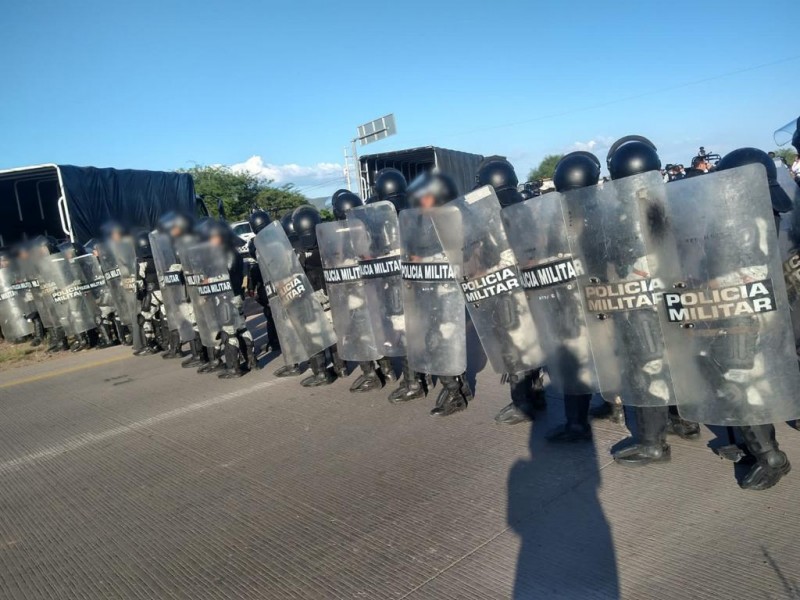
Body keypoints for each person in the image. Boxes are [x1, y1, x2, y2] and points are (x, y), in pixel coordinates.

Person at [475, 158, 546, 425]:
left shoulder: (491, 210)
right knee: (529, 340)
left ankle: (522, 402)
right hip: (529, 283)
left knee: (512, 344)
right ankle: (536, 394)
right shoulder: (523, 205)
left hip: (507, 286)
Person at [402, 171, 473, 416]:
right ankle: (459, 387)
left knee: (442, 339)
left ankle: (455, 393)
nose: (421, 203)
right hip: (428, 294)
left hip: (445, 296)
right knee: (435, 339)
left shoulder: (454, 220)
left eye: (426, 198)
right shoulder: (424, 221)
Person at [372, 168, 426, 403]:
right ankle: (415, 380)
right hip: (404, 284)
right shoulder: (415, 213)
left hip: (411, 283)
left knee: (412, 334)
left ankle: (416, 383)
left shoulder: (415, 217)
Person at [292, 205, 346, 386]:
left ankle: (322, 373)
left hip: (311, 299)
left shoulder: (298, 252)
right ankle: (341, 367)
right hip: (330, 295)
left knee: (314, 335)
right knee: (333, 332)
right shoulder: (329, 243)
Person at [132, 231, 164, 356]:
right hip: (164, 290)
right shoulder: (159, 256)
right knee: (164, 317)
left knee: (144, 317)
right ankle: (168, 343)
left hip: (152, 293)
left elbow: (139, 281)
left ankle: (151, 344)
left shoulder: (142, 261)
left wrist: (139, 294)